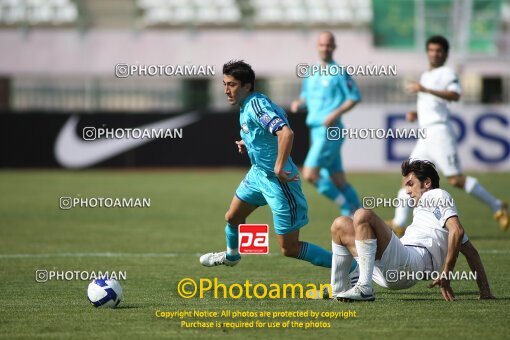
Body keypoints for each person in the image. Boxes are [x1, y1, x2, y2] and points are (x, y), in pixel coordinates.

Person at [200, 60, 355, 271]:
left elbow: (286, 133)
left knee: (289, 248)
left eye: (232, 84)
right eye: (225, 84)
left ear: (247, 86)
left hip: (279, 181)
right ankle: (232, 255)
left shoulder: (256, 105)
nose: (226, 90)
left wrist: (279, 167)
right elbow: (266, 133)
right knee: (233, 217)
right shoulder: (248, 104)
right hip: (258, 176)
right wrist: (248, 142)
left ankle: (352, 268)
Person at [387, 35, 508, 236]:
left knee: (455, 180)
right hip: (425, 134)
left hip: (440, 132)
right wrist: (415, 113)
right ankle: (399, 223)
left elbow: (455, 94)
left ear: (445, 54)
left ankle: (497, 205)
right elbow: (432, 104)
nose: (435, 53)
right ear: (427, 52)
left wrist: (425, 89)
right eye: (432, 50)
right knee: (409, 178)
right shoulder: (427, 75)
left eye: (439, 51)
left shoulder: (447, 73)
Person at [329, 159, 494, 302]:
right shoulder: (427, 211)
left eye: (410, 184)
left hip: (409, 263)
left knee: (363, 214)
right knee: (340, 224)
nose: (407, 191)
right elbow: (471, 252)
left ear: (427, 183)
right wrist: (485, 292)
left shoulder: (437, 195)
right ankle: (338, 290)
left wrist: (447, 273)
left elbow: (457, 231)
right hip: (388, 268)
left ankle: (364, 287)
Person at [290, 31, 361, 217]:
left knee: (310, 174)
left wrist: (335, 113)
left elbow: (354, 97)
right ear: (317, 47)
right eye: (322, 45)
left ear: (334, 47)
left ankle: (346, 207)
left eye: (329, 45)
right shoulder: (311, 72)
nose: (325, 48)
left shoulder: (338, 72)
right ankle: (361, 214)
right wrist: (299, 103)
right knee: (338, 179)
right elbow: (306, 96)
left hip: (330, 130)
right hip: (316, 130)